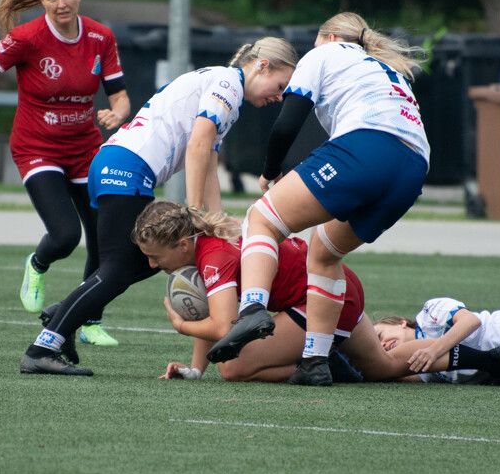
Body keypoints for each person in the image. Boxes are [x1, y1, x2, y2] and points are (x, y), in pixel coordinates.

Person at [19, 37, 300, 375]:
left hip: (116, 161)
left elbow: (209, 159)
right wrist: (196, 214)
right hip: (127, 166)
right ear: (262, 66)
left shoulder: (228, 89)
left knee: (150, 260)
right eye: (282, 85)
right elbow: (197, 144)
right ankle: (41, 348)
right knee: (125, 267)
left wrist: (218, 221)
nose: (280, 96)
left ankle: (66, 313)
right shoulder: (229, 83)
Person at [206, 13, 431, 387]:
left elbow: (287, 124)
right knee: (324, 255)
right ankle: (314, 361)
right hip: (414, 168)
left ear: (327, 36)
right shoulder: (383, 69)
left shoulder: (325, 54)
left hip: (370, 145)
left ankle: (252, 309)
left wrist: (269, 171)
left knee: (261, 219)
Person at [133, 201, 500, 384]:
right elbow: (216, 320)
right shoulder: (207, 246)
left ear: (183, 244)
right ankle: (489, 359)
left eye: (154, 256)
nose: (151, 266)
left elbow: (221, 328)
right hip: (339, 287)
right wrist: (195, 370)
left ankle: (327, 359)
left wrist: (183, 328)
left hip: (320, 298)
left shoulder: (214, 257)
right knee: (382, 370)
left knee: (234, 368)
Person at [0, 0, 129, 347]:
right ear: (42, 0)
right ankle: (37, 264)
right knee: (66, 235)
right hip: (38, 148)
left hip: (85, 149)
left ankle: (90, 320)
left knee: (105, 238)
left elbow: (119, 95)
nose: (62, 2)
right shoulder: (27, 38)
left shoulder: (100, 37)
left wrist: (117, 113)